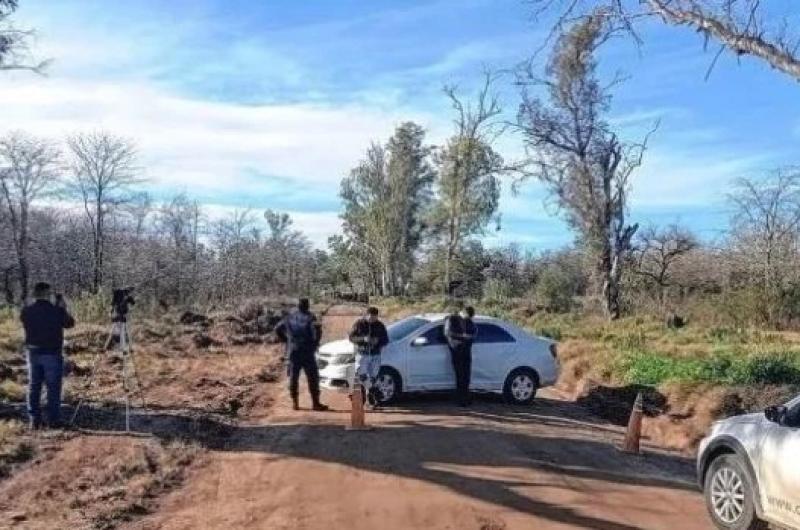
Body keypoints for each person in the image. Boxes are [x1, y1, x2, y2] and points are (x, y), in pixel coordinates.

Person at [20, 282, 75, 430]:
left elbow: (24, 319)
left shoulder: (27, 311)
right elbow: (70, 323)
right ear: (47, 294)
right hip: (51, 352)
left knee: (34, 386)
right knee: (53, 387)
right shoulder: (56, 311)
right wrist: (63, 307)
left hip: (33, 352)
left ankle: (34, 419)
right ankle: (53, 420)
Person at [274, 298, 328, 412]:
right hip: (307, 351)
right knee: (312, 377)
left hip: (293, 351)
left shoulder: (289, 317)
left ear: (298, 306)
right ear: (307, 306)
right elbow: (317, 332)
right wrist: (315, 344)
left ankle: (295, 403)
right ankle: (315, 403)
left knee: (294, 377)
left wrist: (287, 340)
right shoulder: (311, 317)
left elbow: (277, 329)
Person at [348, 306, 389, 409]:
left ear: (377, 316)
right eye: (370, 316)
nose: (371, 318)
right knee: (361, 376)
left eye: (374, 316)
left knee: (373, 378)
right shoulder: (359, 324)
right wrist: (363, 339)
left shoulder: (380, 325)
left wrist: (378, 341)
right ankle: (363, 399)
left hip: (375, 355)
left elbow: (386, 340)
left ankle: (372, 402)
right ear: (366, 315)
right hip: (363, 354)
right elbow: (352, 337)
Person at [444, 302, 475, 407]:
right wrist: (462, 336)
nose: (468, 317)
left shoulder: (469, 321)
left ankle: (465, 397)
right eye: (467, 315)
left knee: (466, 375)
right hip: (456, 349)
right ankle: (461, 399)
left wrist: (469, 337)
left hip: (466, 349)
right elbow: (448, 333)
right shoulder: (452, 319)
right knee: (460, 375)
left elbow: (474, 333)